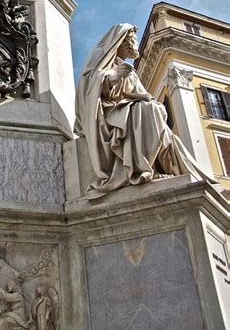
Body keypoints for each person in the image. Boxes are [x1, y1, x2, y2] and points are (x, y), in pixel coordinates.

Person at [74, 23, 213, 199]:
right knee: (147, 111)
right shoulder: (103, 62)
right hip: (106, 113)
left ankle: (173, 169)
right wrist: (114, 77)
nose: (136, 42)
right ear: (122, 40)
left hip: (127, 110)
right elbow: (89, 88)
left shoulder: (129, 70)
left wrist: (148, 100)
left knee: (156, 113)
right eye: (134, 38)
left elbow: (142, 95)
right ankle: (141, 169)